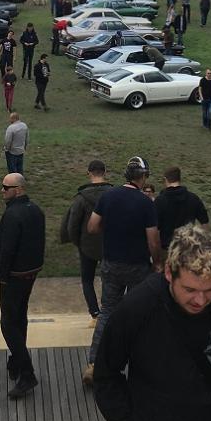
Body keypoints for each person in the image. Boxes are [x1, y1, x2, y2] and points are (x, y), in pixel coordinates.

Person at [93, 223, 211, 421]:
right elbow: (106, 373)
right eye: (189, 289)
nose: (200, 300)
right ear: (169, 272)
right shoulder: (137, 308)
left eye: (210, 289)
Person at [83, 156, 161, 386]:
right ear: (144, 176)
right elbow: (153, 241)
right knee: (139, 314)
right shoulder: (146, 203)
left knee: (107, 312)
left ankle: (94, 364)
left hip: (111, 264)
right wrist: (157, 263)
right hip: (138, 266)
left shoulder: (109, 196)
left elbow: (92, 227)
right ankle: (140, 367)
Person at [0, 173, 46, 399]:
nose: (2, 190)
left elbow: (7, 248)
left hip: (13, 276)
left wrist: (2, 274)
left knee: (8, 323)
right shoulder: (36, 210)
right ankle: (16, 360)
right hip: (30, 273)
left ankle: (27, 372)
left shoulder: (13, 214)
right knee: (20, 317)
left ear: (18, 190)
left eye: (6, 187)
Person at [63, 160, 112, 319]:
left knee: (87, 280)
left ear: (89, 173)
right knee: (109, 280)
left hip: (86, 244)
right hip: (110, 244)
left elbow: (72, 226)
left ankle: (95, 313)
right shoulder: (114, 194)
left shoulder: (81, 198)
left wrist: (78, 242)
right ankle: (108, 310)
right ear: (105, 172)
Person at [153, 167, 210, 253]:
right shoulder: (193, 198)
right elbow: (205, 223)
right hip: (188, 250)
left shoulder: (159, 201)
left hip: (167, 250)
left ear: (165, 179)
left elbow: (155, 231)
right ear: (179, 179)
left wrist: (157, 253)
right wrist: (203, 247)